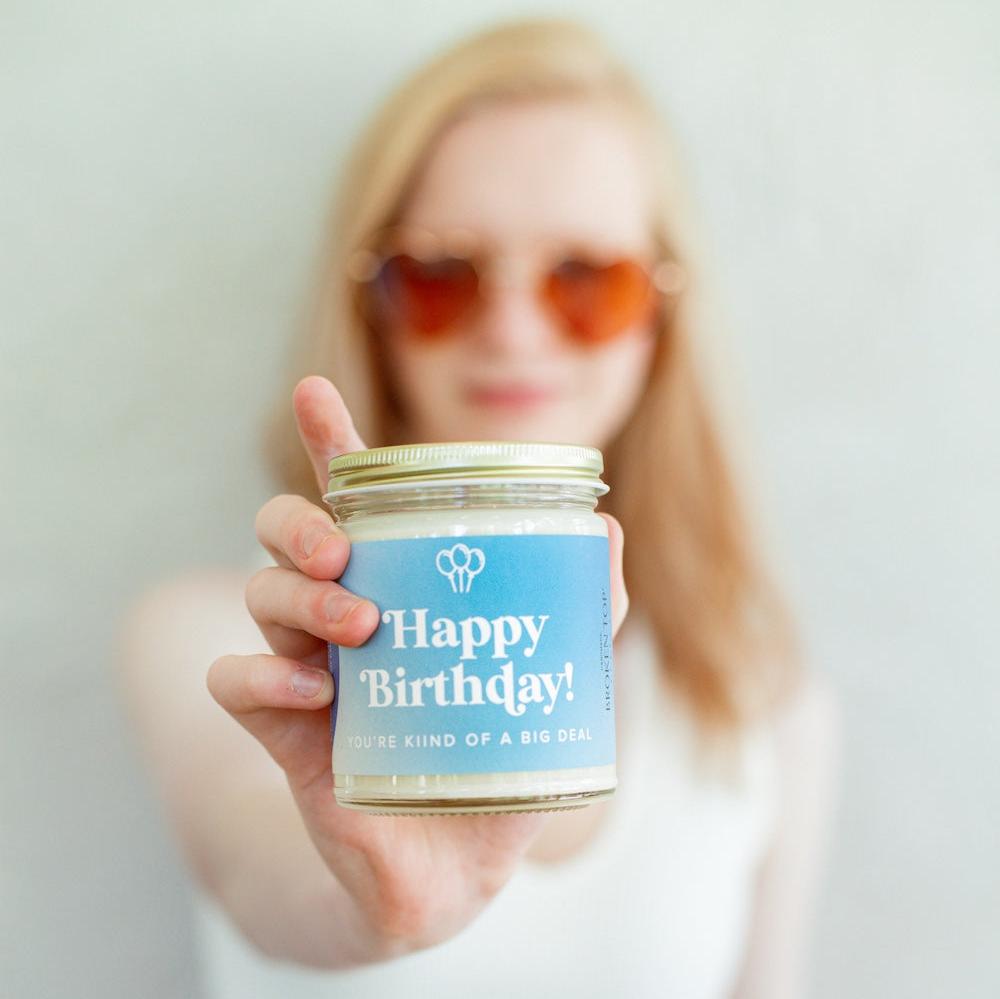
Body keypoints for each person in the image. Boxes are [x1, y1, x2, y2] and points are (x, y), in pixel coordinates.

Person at [117, 17, 838, 999]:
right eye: (439, 275)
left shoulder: (758, 702)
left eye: (586, 278)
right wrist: (368, 902)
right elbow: (257, 872)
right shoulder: (220, 642)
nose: (511, 332)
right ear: (371, 302)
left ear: (663, 316)